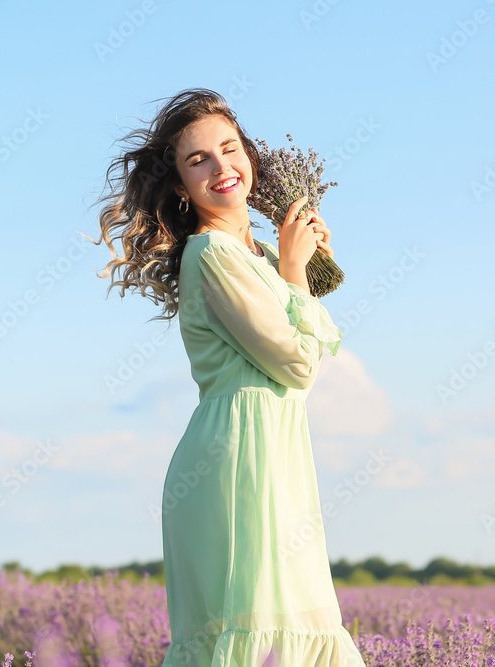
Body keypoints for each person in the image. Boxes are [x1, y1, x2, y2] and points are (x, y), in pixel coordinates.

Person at [91, 88, 364, 666]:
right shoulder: (211, 253)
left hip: (276, 450)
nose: (220, 167)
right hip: (237, 455)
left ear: (251, 158)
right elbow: (295, 364)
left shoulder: (260, 252)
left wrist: (306, 263)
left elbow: (303, 346)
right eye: (198, 161)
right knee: (259, 630)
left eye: (229, 149)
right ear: (180, 188)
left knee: (296, 623)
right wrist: (295, 272)